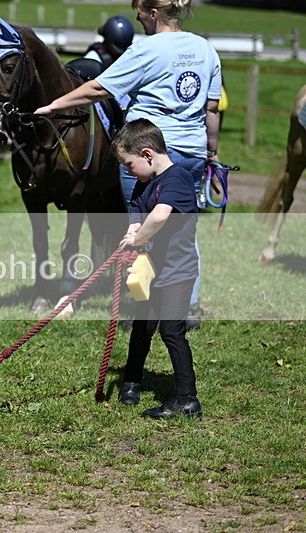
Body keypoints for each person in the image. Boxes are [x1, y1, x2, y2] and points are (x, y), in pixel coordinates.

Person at [33, 0, 222, 331]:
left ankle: (143, 308)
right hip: (192, 150)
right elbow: (212, 109)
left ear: (154, 13)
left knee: (139, 228)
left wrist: (55, 104)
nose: (138, 19)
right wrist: (212, 152)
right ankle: (188, 305)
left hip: (148, 151)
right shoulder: (206, 49)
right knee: (184, 228)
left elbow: (98, 88)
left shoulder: (146, 50)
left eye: (141, 14)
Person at [113, 118, 202, 419]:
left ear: (147, 154)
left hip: (178, 272)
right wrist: (131, 237)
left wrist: (138, 238)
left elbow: (161, 215)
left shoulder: (178, 178)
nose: (128, 171)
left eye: (129, 164)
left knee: (172, 331)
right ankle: (131, 381)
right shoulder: (143, 184)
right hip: (150, 270)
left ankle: (187, 400)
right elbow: (137, 217)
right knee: (142, 326)